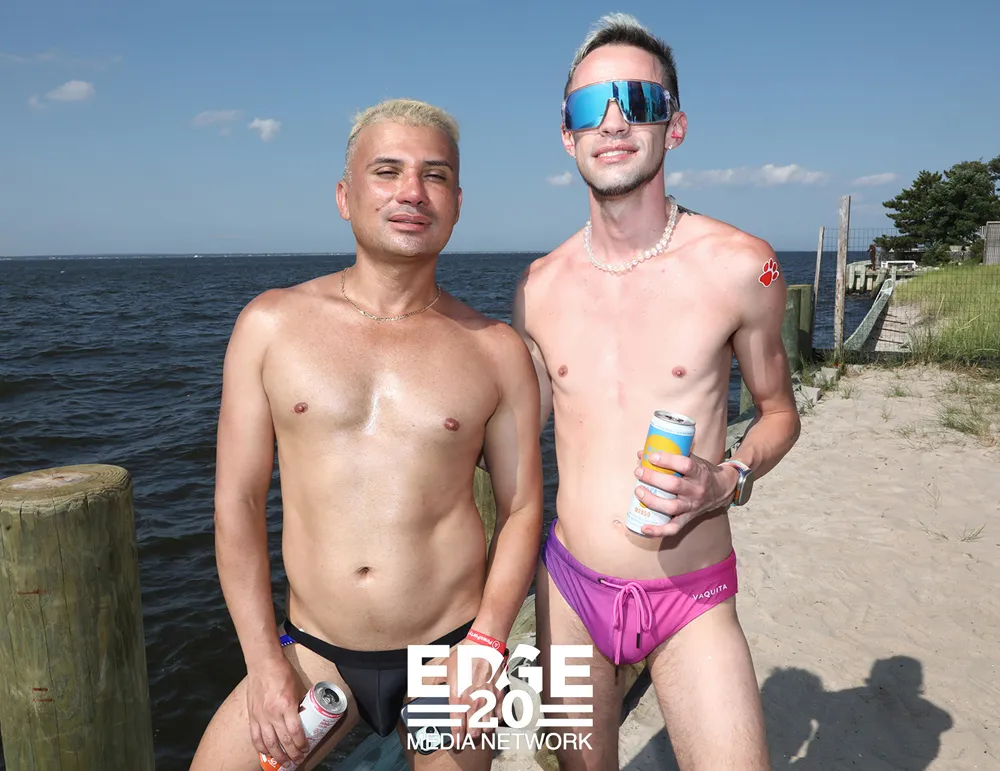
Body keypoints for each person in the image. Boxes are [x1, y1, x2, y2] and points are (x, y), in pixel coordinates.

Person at [191, 98, 544, 771]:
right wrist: (264, 662)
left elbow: (524, 505)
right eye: (388, 171)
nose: (413, 192)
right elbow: (237, 502)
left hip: (447, 655)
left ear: (457, 203)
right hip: (313, 653)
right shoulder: (269, 326)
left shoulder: (497, 350)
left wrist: (487, 644)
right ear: (344, 195)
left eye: (436, 176)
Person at [513, 14, 801, 771]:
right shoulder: (538, 286)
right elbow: (514, 434)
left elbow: (779, 413)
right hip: (569, 591)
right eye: (589, 106)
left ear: (674, 126)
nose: (612, 121)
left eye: (637, 100)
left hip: (691, 594)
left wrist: (728, 478)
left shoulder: (745, 266)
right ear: (567, 135)